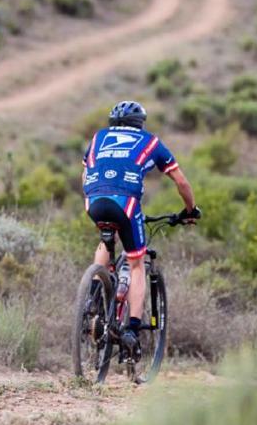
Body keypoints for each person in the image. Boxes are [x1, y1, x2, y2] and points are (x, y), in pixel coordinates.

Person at [82, 100, 200, 356]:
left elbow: (86, 173)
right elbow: (181, 181)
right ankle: (132, 331)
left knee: (106, 239)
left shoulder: (98, 137)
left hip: (93, 200)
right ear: (139, 123)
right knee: (137, 262)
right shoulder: (150, 142)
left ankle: (91, 299)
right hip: (125, 203)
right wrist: (190, 210)